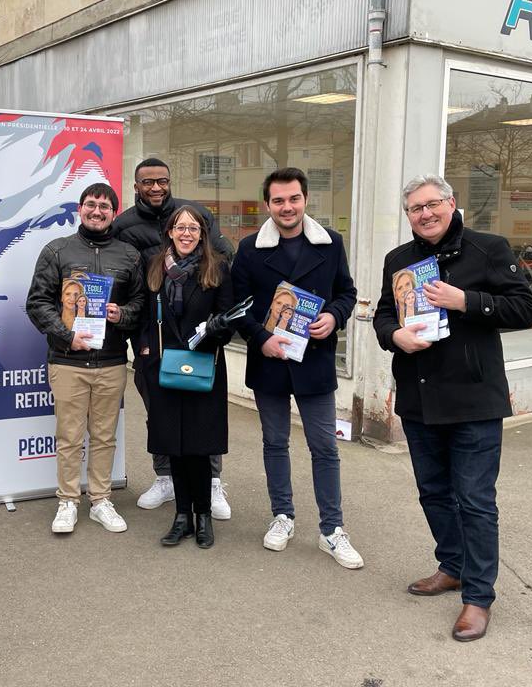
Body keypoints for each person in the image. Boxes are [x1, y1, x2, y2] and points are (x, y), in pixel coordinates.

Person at [373, 174, 532, 642]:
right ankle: (453, 566)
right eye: (414, 209)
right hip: (420, 398)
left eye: (431, 205)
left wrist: (465, 300)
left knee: (476, 502)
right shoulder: (399, 260)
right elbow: (386, 314)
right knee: (434, 492)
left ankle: (479, 598)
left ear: (451, 203)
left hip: (473, 400)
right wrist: (393, 336)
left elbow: (525, 309)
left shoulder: (489, 249)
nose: (423, 214)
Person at [231, 167, 364, 568]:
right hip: (270, 360)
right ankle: (282, 516)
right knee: (275, 443)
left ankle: (332, 530)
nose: (286, 207)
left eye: (293, 199)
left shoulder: (331, 243)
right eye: (278, 201)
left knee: (324, 447)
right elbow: (237, 306)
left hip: (314, 360)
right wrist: (261, 338)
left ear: (305, 200)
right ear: (268, 204)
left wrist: (335, 317)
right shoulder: (250, 248)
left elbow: (347, 291)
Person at [113, 157, 235, 519]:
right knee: (161, 416)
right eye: (147, 182)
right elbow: (131, 291)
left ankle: (212, 483)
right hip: (155, 344)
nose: (155, 187)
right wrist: (142, 341)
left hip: (198, 344)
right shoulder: (124, 227)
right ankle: (165, 477)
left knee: (203, 418)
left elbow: (222, 258)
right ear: (136, 186)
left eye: (162, 181)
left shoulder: (194, 215)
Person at [26, 182, 145, 535]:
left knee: (106, 436)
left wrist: (120, 314)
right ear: (81, 208)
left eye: (105, 207)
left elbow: (140, 304)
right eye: (91, 205)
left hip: (110, 362)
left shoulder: (129, 255)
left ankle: (100, 500)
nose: (97, 211)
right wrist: (67, 335)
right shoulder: (57, 251)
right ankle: (66, 501)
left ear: (113, 212)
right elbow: (37, 303)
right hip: (67, 361)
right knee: (69, 436)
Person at [141, 206, 233, 548]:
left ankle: (204, 516)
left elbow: (229, 315)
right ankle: (182, 516)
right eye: (180, 227)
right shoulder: (154, 266)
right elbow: (144, 317)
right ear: (169, 231)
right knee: (174, 446)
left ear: (202, 234)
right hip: (164, 367)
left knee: (199, 446)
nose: (186, 233)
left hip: (203, 366)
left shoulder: (218, 267)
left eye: (193, 228)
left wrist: (213, 330)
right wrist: (146, 349)